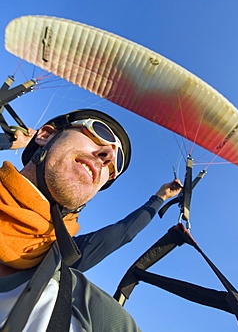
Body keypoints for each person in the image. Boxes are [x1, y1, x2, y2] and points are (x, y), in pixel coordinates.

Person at [0, 109, 182, 331]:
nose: (109, 156)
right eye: (100, 131)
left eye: (118, 163)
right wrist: (8, 141)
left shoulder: (87, 306)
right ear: (45, 135)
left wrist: (160, 198)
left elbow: (122, 233)